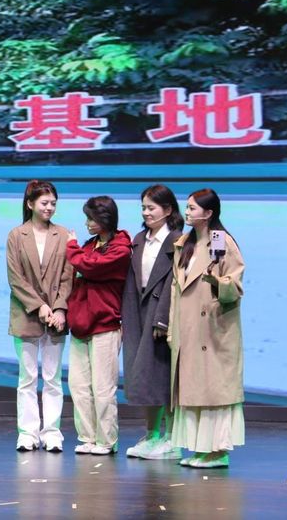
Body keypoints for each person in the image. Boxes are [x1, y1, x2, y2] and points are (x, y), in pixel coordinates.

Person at [168, 188, 245, 469]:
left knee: (213, 390)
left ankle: (217, 451)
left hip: (214, 326)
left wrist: (217, 282)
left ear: (208, 213)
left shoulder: (222, 241)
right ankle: (202, 449)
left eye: (192, 208)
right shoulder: (185, 243)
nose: (187, 212)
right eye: (187, 207)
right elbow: (176, 289)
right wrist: (171, 328)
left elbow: (234, 286)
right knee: (194, 389)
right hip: (188, 328)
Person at [6, 180, 74, 453]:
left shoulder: (63, 234)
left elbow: (69, 276)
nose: (49, 208)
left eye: (53, 203)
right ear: (30, 203)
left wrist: (59, 308)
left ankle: (52, 432)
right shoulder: (16, 235)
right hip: (26, 315)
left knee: (53, 378)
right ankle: (27, 433)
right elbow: (16, 279)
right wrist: (39, 306)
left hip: (56, 317)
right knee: (28, 378)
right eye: (45, 203)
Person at [122, 185, 184, 460]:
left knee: (163, 376)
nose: (146, 213)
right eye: (143, 208)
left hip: (163, 315)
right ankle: (151, 434)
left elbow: (176, 284)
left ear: (168, 210)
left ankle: (171, 437)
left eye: (151, 208)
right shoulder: (139, 239)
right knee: (142, 375)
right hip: (138, 312)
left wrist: (163, 318)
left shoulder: (178, 241)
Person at [66, 196, 131, 455]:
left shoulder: (121, 249)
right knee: (79, 385)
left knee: (103, 387)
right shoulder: (89, 245)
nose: (87, 223)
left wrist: (71, 248)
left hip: (106, 323)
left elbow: (89, 267)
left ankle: (106, 440)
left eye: (91, 218)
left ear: (105, 219)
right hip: (81, 324)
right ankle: (88, 437)